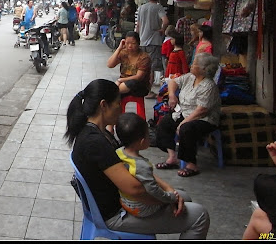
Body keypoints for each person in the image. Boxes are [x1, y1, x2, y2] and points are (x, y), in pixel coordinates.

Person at [65, 79, 210, 238]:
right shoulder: (95, 143)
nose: (120, 109)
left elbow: (132, 167)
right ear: (103, 105)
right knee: (200, 215)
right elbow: (134, 189)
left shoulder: (98, 133)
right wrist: (167, 199)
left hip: (121, 202)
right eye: (118, 104)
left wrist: (168, 189)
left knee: (183, 197)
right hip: (116, 215)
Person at [154, 53, 221, 177]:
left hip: (204, 119)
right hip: (185, 112)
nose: (191, 65)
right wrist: (172, 95)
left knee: (186, 129)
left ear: (204, 69)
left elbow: (202, 110)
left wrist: (184, 122)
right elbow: (173, 82)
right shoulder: (190, 77)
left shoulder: (208, 86)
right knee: (165, 122)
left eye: (195, 64)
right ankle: (172, 157)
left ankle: (192, 165)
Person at [115, 112, 187, 218]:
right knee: (180, 200)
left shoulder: (118, 152)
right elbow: (153, 190)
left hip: (125, 201)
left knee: (180, 196)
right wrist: (169, 197)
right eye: (148, 135)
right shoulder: (141, 166)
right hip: (141, 209)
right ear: (142, 141)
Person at [135, 0, 169, 99]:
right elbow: (166, 21)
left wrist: (136, 39)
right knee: (151, 68)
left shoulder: (141, 8)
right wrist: (162, 29)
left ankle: (140, 89)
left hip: (142, 40)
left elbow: (138, 26)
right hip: (154, 42)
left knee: (142, 66)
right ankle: (148, 91)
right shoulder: (158, 7)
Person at [107, 31, 152, 98]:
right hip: (123, 84)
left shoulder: (144, 57)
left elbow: (138, 77)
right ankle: (113, 94)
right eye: (127, 43)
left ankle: (113, 93)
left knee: (131, 83)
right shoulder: (124, 53)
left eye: (133, 43)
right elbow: (110, 65)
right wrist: (119, 48)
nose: (130, 46)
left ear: (138, 43)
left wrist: (121, 80)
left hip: (139, 86)